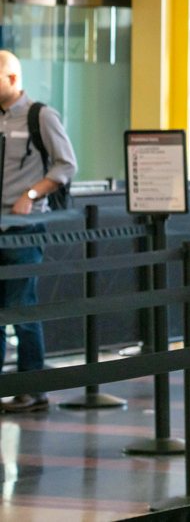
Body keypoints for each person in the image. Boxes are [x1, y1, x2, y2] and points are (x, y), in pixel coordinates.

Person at [0, 51, 77, 413]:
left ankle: (33, 388)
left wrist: (30, 194)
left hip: (24, 230)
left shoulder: (40, 116)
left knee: (20, 306)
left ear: (13, 79)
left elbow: (66, 164)